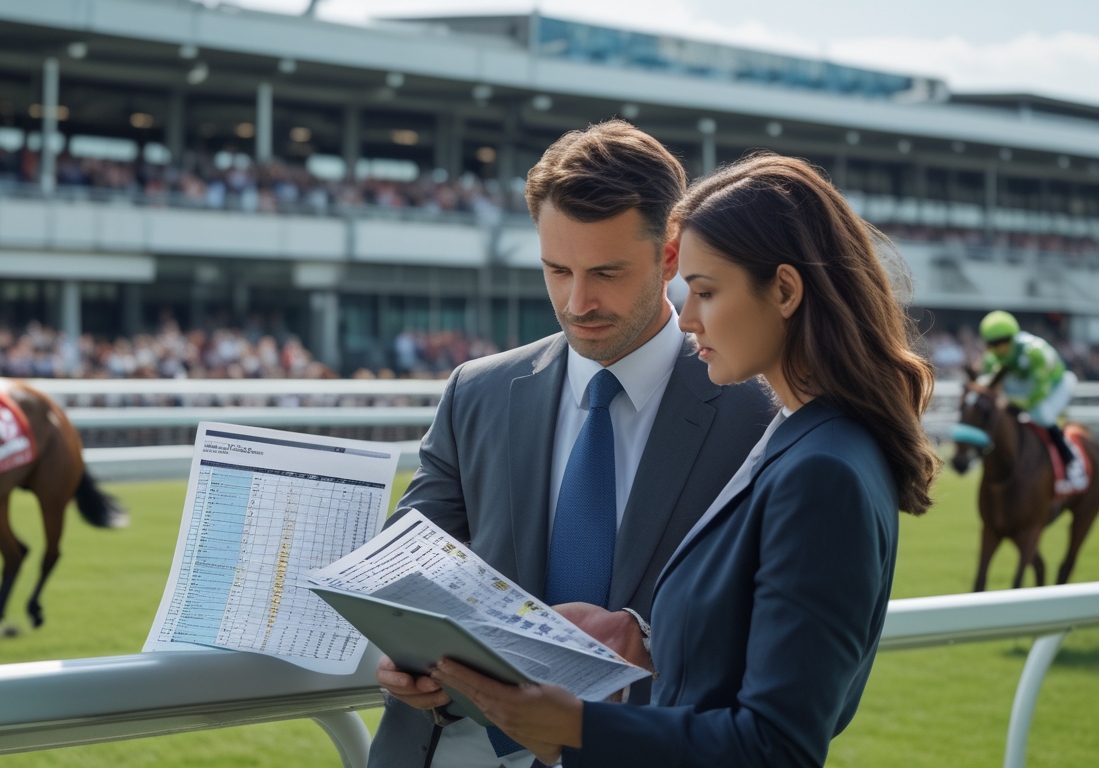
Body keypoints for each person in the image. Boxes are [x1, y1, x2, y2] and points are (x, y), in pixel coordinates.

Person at [430, 153, 941, 767]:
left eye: (704, 291)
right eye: (556, 270)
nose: (689, 317)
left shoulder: (821, 465)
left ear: (784, 290)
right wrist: (646, 638)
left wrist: (578, 730)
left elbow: (777, 747)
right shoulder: (804, 436)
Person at [370, 121, 774, 768]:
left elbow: (784, 642)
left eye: (606, 272)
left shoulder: (758, 411)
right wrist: (403, 659)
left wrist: (652, 641)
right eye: (556, 270)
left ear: (671, 254)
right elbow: (403, 572)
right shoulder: (476, 392)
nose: (576, 300)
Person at [978, 310, 1081, 472]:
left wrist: (1010, 402)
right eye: (992, 344)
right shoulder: (992, 358)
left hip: (1057, 385)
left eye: (1003, 343)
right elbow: (985, 387)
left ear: (1013, 338)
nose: (998, 349)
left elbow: (1039, 393)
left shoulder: (1034, 353)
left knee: (1042, 416)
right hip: (1025, 385)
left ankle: (1069, 458)